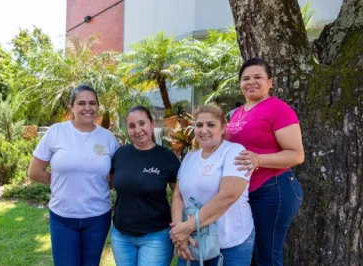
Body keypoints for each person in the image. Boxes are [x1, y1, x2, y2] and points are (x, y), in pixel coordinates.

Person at [28, 84, 119, 266]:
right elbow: (35, 172)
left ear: (97, 107)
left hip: (98, 217)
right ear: (72, 107)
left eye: (92, 103)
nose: (88, 108)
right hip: (63, 218)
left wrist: (98, 183)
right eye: (81, 103)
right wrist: (60, 182)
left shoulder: (108, 138)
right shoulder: (56, 132)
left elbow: (115, 176)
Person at [225, 58, 305, 266]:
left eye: (258, 77)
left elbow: (297, 155)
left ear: (270, 82)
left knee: (267, 255)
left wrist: (258, 159)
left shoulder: (277, 109)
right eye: (246, 78)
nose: (251, 82)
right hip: (245, 191)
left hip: (274, 189)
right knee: (248, 251)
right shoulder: (238, 112)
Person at [170, 104, 255, 266]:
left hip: (229, 242)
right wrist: (178, 230)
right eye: (199, 125)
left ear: (223, 128)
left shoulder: (234, 152)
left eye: (211, 125)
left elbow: (227, 196)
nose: (203, 130)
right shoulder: (189, 157)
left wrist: (187, 228)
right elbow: (178, 195)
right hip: (193, 240)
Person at [110, 106, 181, 266]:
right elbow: (108, 183)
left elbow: (179, 195)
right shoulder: (120, 155)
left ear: (152, 123)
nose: (138, 130)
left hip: (156, 236)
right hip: (121, 235)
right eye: (132, 126)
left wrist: (180, 226)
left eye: (142, 123)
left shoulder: (166, 157)